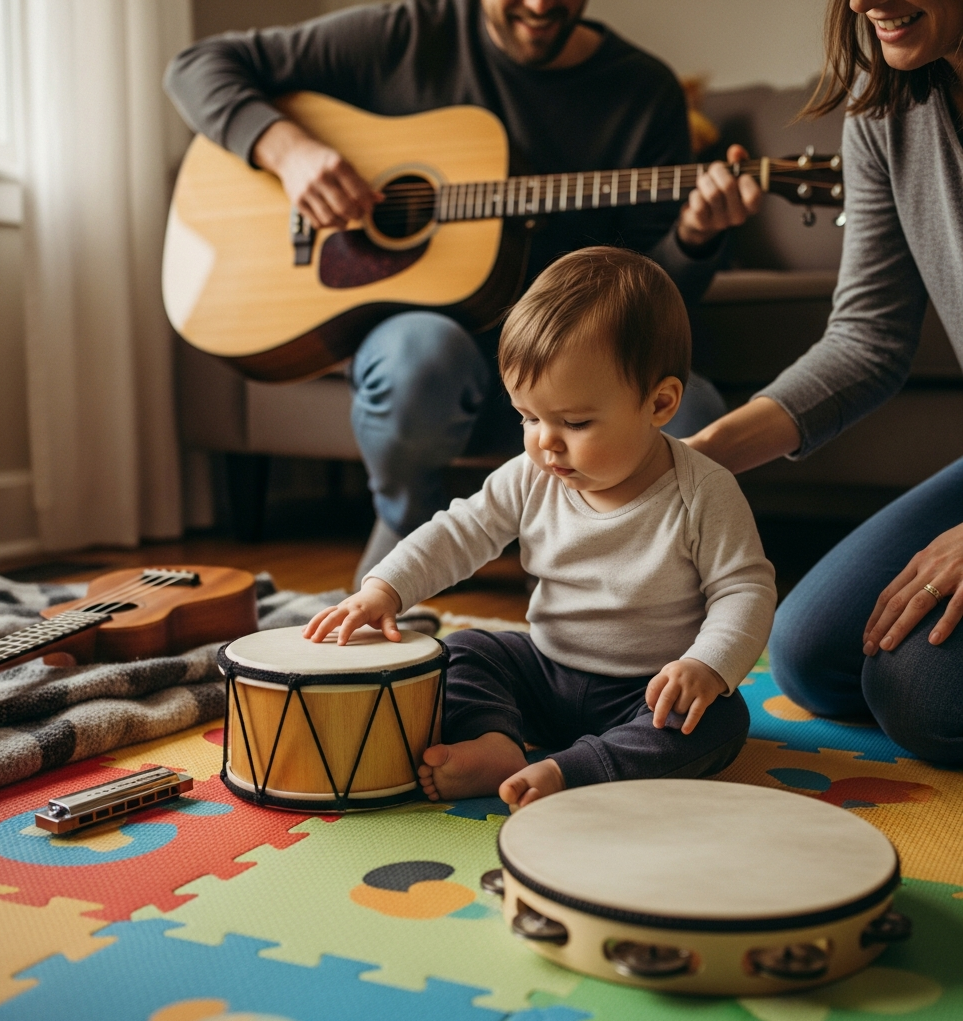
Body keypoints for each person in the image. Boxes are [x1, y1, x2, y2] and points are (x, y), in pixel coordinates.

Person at [165, 0, 762, 584]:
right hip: (434, 365)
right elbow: (194, 66)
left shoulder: (641, 91)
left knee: (697, 419)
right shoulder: (403, 35)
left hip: (580, 367)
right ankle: (406, 529)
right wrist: (289, 151)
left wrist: (694, 238)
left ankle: (592, 566)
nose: (540, 5)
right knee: (418, 354)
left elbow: (654, 298)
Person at [303, 247, 777, 807]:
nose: (545, 442)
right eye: (528, 417)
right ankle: (496, 744)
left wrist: (705, 666)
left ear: (660, 403)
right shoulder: (532, 476)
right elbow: (460, 531)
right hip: (544, 672)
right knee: (461, 650)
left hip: (646, 693)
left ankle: (572, 771)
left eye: (574, 422)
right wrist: (385, 588)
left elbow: (744, 589)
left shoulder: (703, 491)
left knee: (719, 719)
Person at [685, 0, 963, 765]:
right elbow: (867, 339)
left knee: (925, 700)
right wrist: (694, 459)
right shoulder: (885, 109)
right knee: (810, 655)